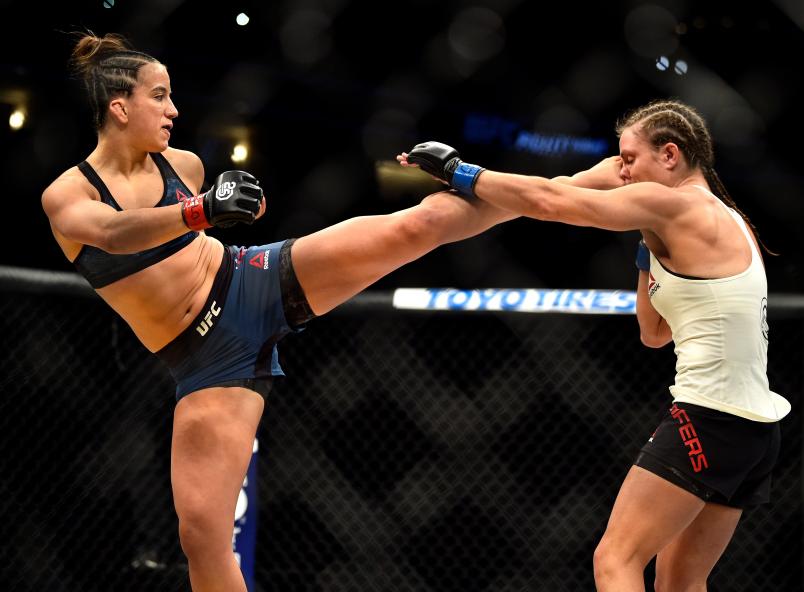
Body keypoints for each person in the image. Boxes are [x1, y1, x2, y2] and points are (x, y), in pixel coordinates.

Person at [41, 32, 517, 592]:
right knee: (202, 535)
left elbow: (215, 214)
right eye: (160, 96)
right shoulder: (68, 195)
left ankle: (571, 188)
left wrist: (241, 202)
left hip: (252, 279)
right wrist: (200, 210)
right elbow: (117, 234)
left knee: (417, 225)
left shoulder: (184, 165)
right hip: (203, 356)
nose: (174, 110)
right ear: (120, 107)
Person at [398, 99, 790, 592]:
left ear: (670, 155)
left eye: (630, 159)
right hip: (755, 431)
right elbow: (654, 333)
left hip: (708, 419)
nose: (622, 170)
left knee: (615, 560)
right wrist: (646, 244)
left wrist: (459, 170)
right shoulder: (720, 217)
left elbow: (552, 203)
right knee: (681, 581)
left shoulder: (679, 204)